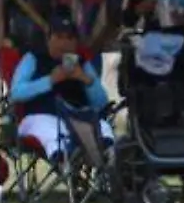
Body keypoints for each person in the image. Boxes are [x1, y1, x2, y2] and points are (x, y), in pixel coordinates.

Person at [9, 15, 112, 161]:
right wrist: (49, 80)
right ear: (48, 39)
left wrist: (86, 80)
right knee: (50, 131)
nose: (64, 43)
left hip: (77, 118)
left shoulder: (82, 63)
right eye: (59, 37)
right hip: (40, 116)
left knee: (103, 127)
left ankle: (107, 157)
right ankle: (62, 158)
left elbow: (102, 104)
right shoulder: (33, 58)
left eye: (70, 38)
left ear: (76, 42)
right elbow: (16, 93)